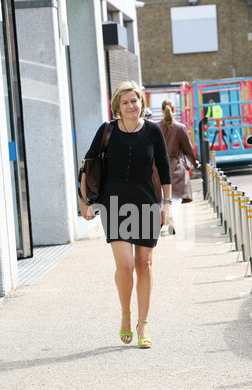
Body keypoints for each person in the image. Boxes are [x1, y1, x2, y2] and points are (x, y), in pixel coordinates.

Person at [80, 81, 172, 348]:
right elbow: (88, 162)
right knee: (126, 265)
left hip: (145, 203)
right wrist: (84, 202)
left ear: (142, 102)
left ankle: (143, 325)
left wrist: (167, 202)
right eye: (126, 102)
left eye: (135, 100)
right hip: (114, 204)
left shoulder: (153, 131)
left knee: (144, 264)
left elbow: (164, 167)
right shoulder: (107, 130)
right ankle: (125, 316)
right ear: (117, 107)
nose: (132, 106)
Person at [158, 99, 199, 235]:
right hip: (176, 169)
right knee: (175, 199)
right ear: (174, 110)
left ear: (162, 111)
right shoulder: (180, 127)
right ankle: (171, 222)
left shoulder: (156, 128)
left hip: (158, 169)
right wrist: (194, 163)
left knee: (163, 198)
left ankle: (163, 222)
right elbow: (188, 150)